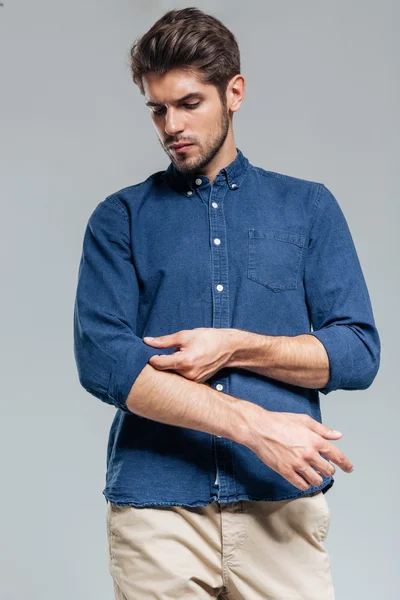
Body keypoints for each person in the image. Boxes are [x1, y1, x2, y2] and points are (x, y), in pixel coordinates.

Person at [73, 7, 380, 599]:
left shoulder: (308, 207)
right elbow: (106, 363)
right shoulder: (121, 219)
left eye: (189, 103)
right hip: (157, 514)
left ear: (233, 93)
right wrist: (254, 425)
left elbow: (357, 352)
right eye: (158, 109)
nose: (171, 125)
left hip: (281, 513)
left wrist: (235, 346)